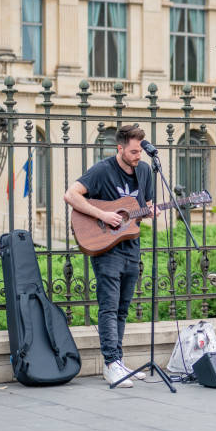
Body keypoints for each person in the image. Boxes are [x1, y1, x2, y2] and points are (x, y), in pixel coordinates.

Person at [64, 125, 156, 387]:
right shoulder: (102, 170)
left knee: (123, 309)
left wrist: (151, 210)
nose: (139, 155)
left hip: (131, 247)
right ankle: (110, 364)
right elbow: (71, 195)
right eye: (134, 151)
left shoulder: (145, 171)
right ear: (120, 148)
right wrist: (103, 215)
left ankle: (118, 361)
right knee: (109, 307)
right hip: (106, 248)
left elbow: (144, 206)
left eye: (141, 151)